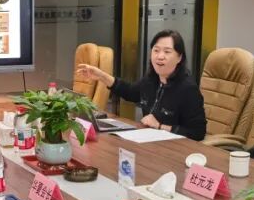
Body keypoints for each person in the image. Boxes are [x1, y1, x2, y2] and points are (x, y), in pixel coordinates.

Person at [76, 29, 207, 141]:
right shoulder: (151, 80)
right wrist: (101, 76)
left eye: (167, 52)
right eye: (156, 50)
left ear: (179, 57)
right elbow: (130, 92)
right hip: (149, 142)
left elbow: (198, 132)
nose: (160, 56)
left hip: (174, 149)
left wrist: (160, 126)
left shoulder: (188, 89)